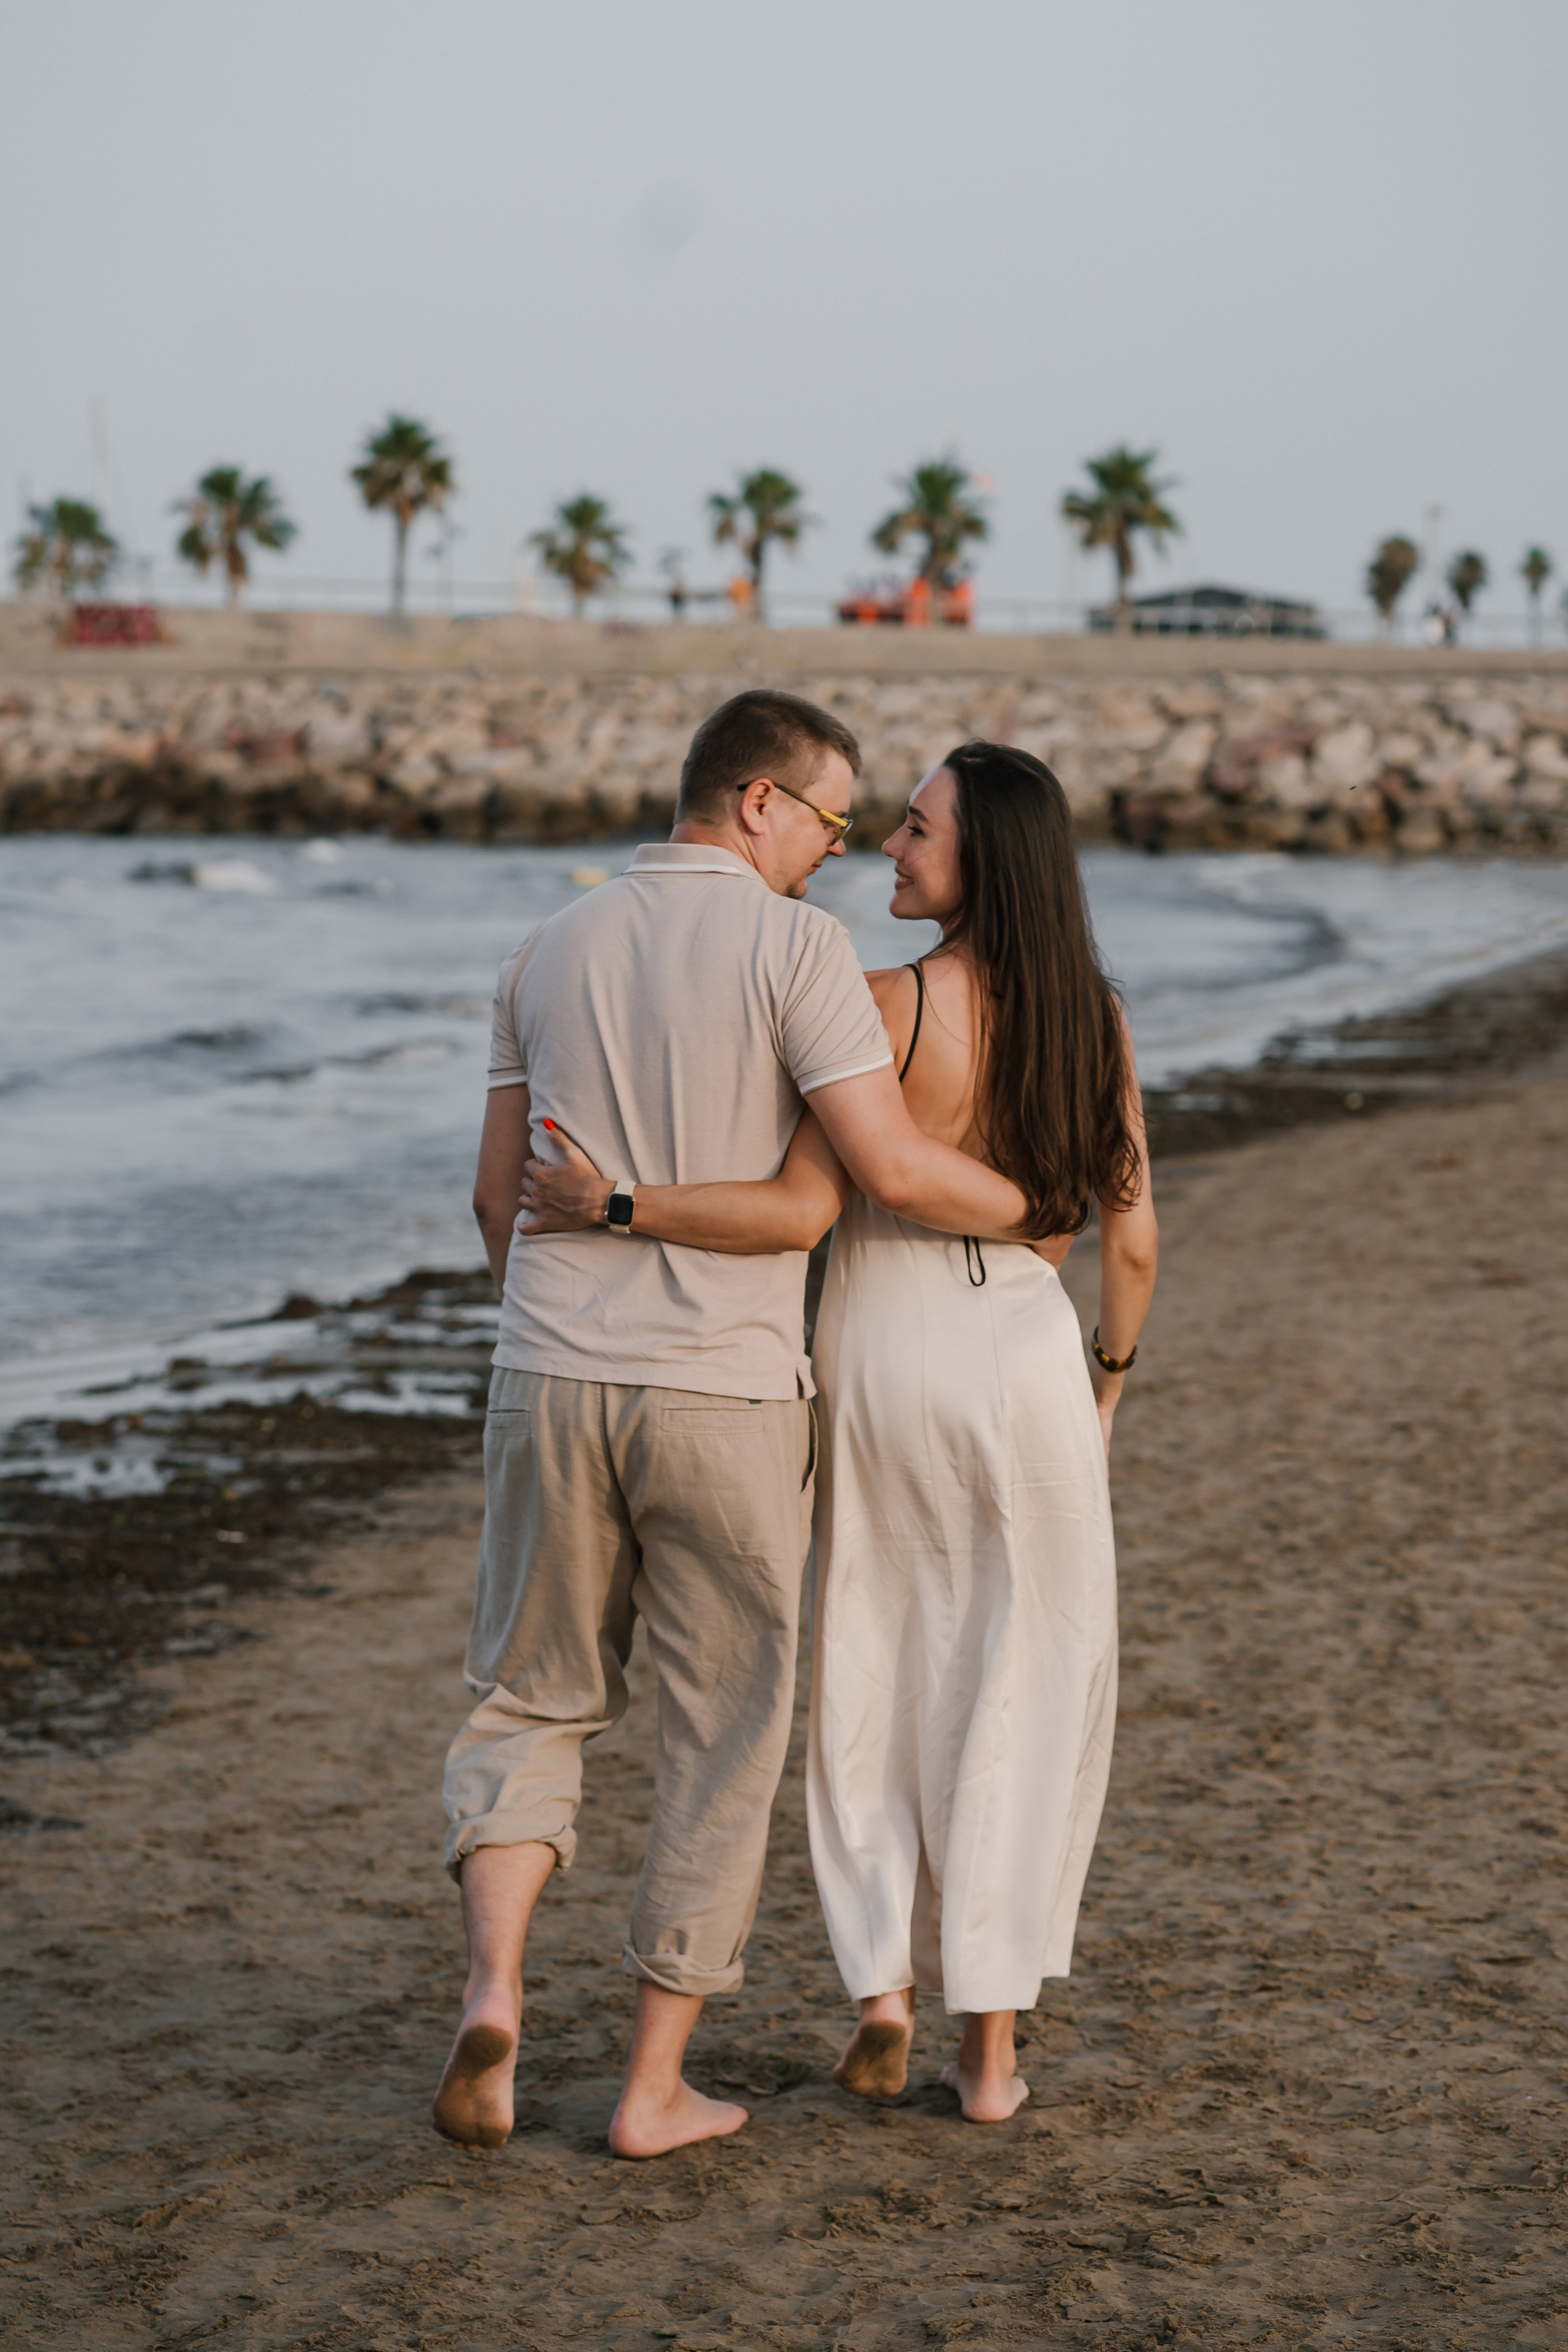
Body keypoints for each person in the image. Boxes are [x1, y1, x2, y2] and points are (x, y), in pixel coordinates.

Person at [434, 692, 1038, 2162]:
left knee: (529, 1701)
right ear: (758, 801)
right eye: (830, 818)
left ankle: (495, 1991)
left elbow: (493, 1198)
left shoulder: (543, 948)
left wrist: (560, 1318)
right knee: (721, 1732)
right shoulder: (796, 951)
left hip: (549, 1375)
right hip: (726, 1393)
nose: (839, 849)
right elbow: (838, 1192)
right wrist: (1039, 1206)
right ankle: (650, 2089)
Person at [519, 741, 1158, 2124]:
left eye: (916, 830)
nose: (888, 848)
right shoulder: (1092, 1018)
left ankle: (881, 1992)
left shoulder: (877, 1004)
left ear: (982, 858)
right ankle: (989, 2057)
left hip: (881, 1348)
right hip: (1028, 1352)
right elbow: (1132, 1240)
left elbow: (810, 1202)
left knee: (875, 1655)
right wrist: (1106, 1380)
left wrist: (619, 1204)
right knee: (1021, 1681)